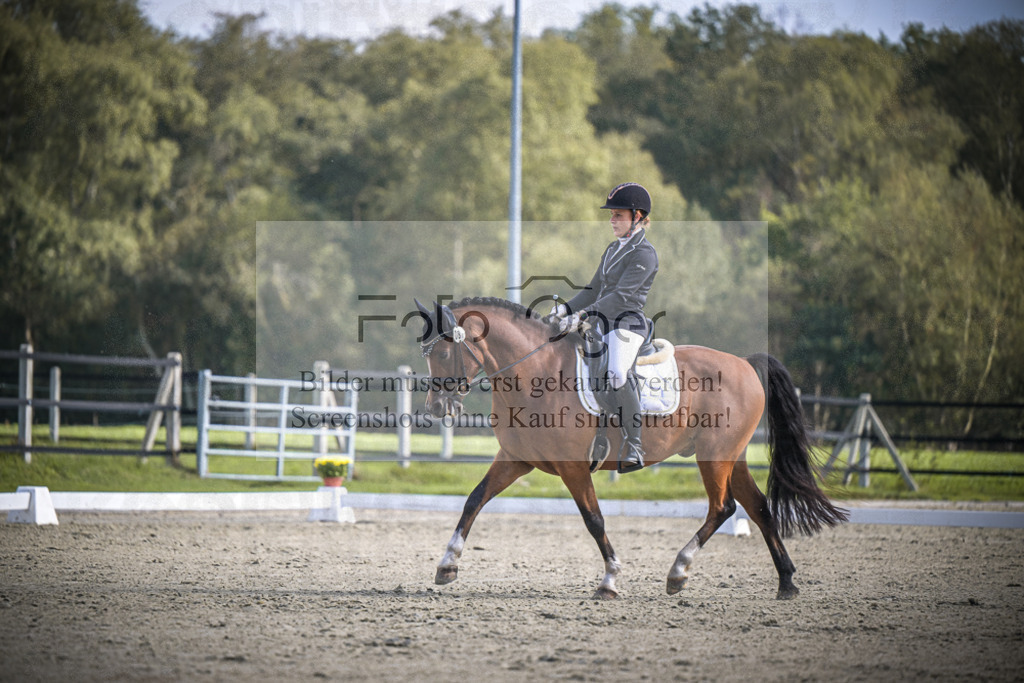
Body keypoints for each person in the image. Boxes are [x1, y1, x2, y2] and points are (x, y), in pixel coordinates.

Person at [551, 182, 659, 473]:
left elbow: (621, 296)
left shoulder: (645, 254)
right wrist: (566, 309)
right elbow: (593, 288)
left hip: (627, 324)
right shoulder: (613, 249)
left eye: (618, 215)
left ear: (637, 217)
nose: (612, 220)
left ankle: (635, 444)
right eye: (611, 215)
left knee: (616, 373)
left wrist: (584, 314)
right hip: (599, 321)